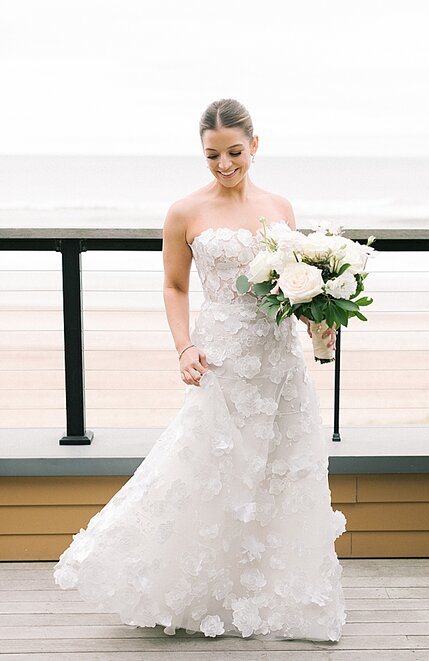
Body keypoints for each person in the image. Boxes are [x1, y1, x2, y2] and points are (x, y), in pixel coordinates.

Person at [52, 99, 347, 641]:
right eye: (213, 155)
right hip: (223, 357)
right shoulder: (185, 212)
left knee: (282, 471)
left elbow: (291, 283)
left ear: (255, 145)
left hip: (279, 361)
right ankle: (185, 587)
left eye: (235, 152)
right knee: (212, 469)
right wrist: (183, 347)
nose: (225, 164)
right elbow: (175, 284)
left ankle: (280, 597)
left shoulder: (280, 206)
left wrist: (318, 318)